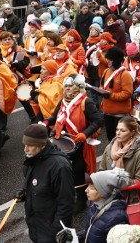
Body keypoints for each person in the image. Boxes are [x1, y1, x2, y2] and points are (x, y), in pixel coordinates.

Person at [44, 73, 103, 212]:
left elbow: (98, 120)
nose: (67, 89)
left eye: (70, 86)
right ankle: (66, 196)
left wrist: (85, 133)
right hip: (63, 142)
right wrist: (46, 122)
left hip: (80, 143)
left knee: (78, 171)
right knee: (62, 170)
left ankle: (81, 200)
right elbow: (54, 117)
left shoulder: (85, 102)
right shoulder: (63, 101)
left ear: (78, 86)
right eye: (66, 86)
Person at [17, 124, 74, 243]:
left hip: (50, 229)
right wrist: (24, 192)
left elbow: (66, 202)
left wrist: (56, 231)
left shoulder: (59, 166)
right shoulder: (34, 156)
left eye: (30, 145)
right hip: (36, 224)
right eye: (25, 144)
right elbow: (33, 182)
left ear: (42, 145)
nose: (25, 149)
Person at [99, 117, 140, 202]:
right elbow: (101, 170)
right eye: (117, 130)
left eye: (122, 131)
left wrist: (116, 181)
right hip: (109, 197)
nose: (118, 133)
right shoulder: (109, 148)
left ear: (132, 133)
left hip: (130, 200)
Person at [77, 169, 131, 243]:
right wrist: (76, 236)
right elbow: (92, 229)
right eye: (88, 186)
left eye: (92, 188)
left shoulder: (117, 218)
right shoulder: (94, 204)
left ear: (103, 192)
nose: (86, 190)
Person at [101, 47, 135, 141]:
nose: (107, 61)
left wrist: (111, 95)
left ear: (116, 61)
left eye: (110, 60)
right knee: (110, 138)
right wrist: (100, 91)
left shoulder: (125, 75)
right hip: (107, 112)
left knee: (121, 139)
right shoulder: (106, 71)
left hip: (120, 114)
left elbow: (127, 93)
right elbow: (102, 86)